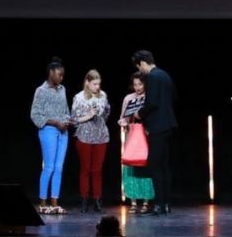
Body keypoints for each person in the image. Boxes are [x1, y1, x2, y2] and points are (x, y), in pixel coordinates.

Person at [131, 50, 177, 215]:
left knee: (155, 166)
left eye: (139, 67)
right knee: (165, 167)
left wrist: (139, 114)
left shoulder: (151, 77)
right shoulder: (165, 75)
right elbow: (173, 97)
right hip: (169, 125)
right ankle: (166, 204)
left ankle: (158, 204)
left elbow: (152, 103)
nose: (140, 71)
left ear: (143, 63)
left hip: (157, 127)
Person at [30, 57, 73, 215]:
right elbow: (35, 114)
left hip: (63, 132)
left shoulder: (62, 89)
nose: (61, 77)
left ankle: (54, 202)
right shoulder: (40, 91)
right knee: (48, 166)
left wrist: (68, 121)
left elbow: (66, 110)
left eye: (62, 75)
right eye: (59, 74)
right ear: (51, 73)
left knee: (59, 168)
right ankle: (42, 202)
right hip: (48, 130)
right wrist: (55, 123)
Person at [72, 69, 111, 213]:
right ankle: (84, 199)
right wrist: (89, 116)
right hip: (84, 137)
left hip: (100, 137)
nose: (97, 87)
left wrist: (100, 123)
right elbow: (74, 119)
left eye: (98, 84)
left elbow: (107, 111)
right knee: (85, 170)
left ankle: (97, 200)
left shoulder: (103, 95)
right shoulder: (79, 97)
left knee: (97, 170)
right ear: (87, 83)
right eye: (94, 84)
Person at [118, 71, 154, 214]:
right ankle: (133, 202)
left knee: (145, 167)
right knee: (131, 168)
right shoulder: (128, 98)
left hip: (146, 135)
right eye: (135, 84)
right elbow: (122, 117)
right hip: (132, 135)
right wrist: (124, 123)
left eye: (140, 84)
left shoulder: (150, 97)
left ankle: (146, 202)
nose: (138, 87)